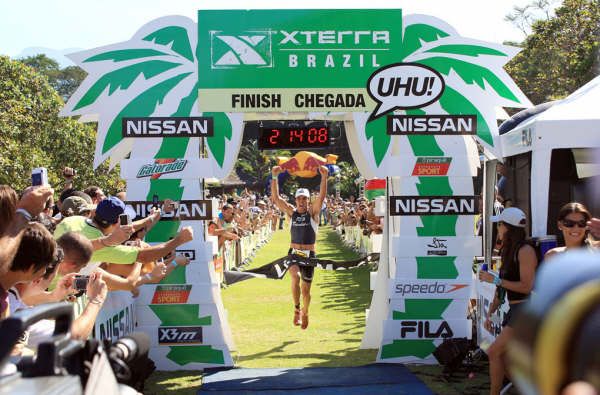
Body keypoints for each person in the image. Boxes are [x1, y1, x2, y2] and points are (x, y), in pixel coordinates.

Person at [478, 207, 538, 395]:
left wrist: (494, 279)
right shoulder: (509, 250)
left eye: (500, 224)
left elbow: (527, 287)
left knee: (495, 352)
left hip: (526, 310)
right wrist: (489, 314)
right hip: (516, 311)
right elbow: (502, 289)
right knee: (503, 357)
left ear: (509, 227)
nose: (498, 227)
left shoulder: (525, 250)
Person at [271, 164, 328, 330]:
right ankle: (296, 309)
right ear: (295, 200)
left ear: (308, 200)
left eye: (305, 198)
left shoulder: (313, 213)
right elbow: (276, 199)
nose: (302, 201)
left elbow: (322, 197)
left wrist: (324, 177)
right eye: (299, 198)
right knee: (294, 277)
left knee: (306, 290)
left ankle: (306, 311)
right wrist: (274, 177)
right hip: (294, 253)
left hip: (309, 255)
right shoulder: (291, 212)